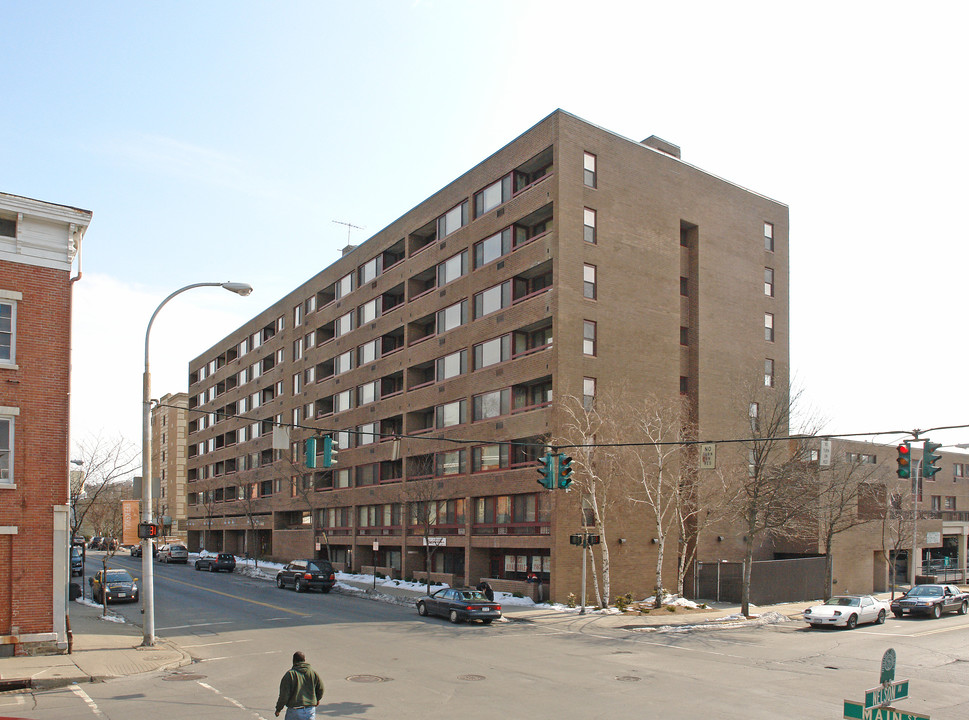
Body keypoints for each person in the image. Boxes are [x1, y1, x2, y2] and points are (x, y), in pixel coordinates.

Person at [275, 651, 324, 719]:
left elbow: (284, 695)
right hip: (309, 710)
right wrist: (316, 699)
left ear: (293, 661)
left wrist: (278, 709)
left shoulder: (290, 675)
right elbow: (321, 689)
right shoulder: (313, 673)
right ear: (304, 660)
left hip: (294, 710)